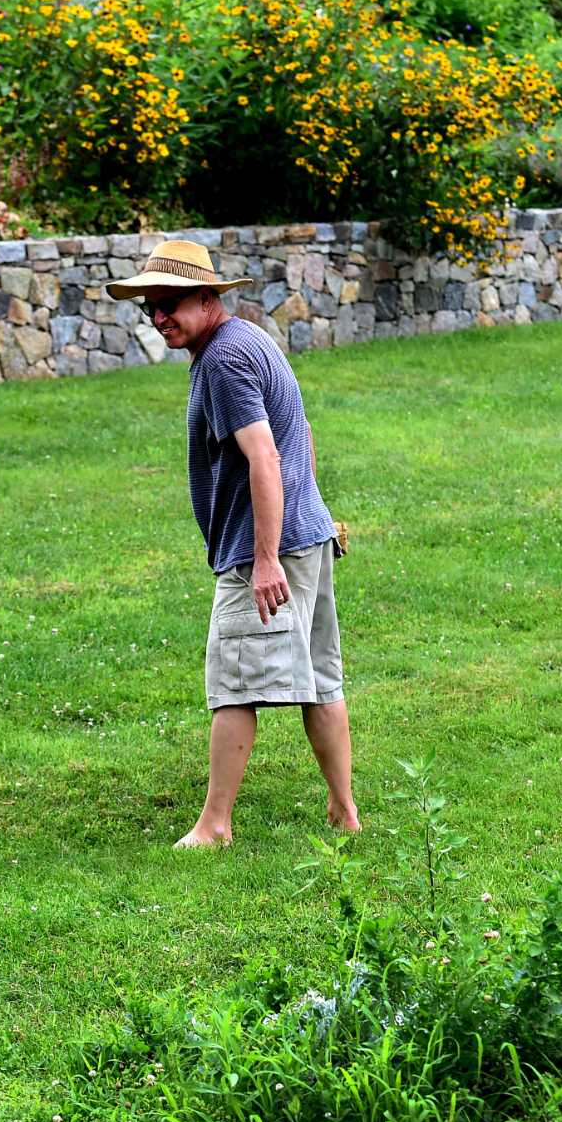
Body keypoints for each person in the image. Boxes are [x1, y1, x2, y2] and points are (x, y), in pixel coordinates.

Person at [108, 239, 360, 848]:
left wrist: (267, 557)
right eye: (150, 308)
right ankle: (345, 810)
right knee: (321, 681)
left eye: (168, 304)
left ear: (205, 298)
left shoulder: (224, 360)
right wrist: (311, 515)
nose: (159, 317)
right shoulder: (249, 339)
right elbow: (301, 433)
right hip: (308, 536)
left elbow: (265, 456)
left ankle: (214, 825)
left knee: (233, 684)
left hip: (267, 549)